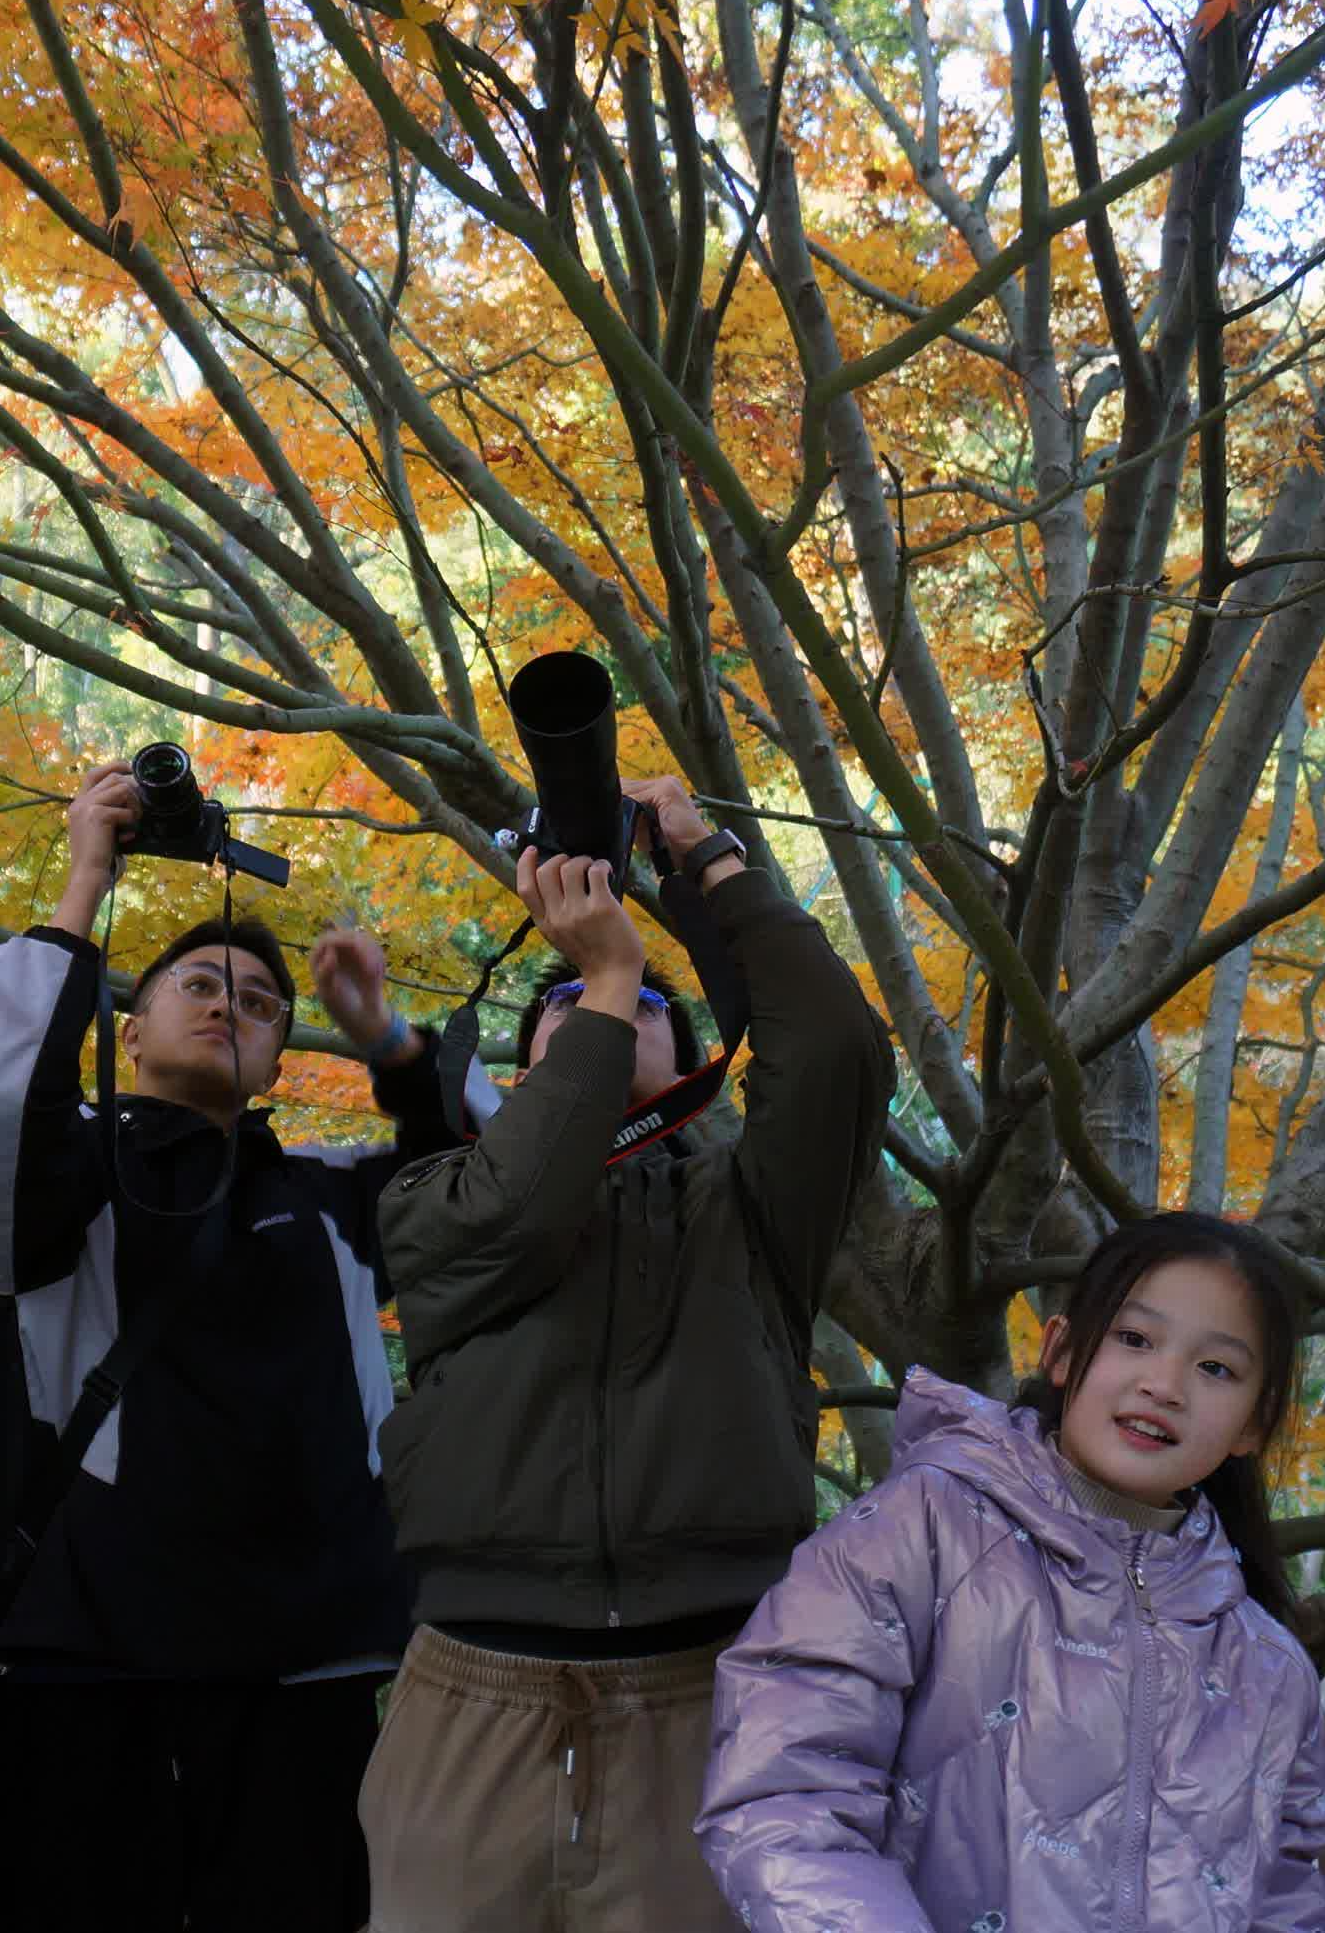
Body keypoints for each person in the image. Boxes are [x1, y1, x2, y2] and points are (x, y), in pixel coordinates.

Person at [0, 759, 463, 1931]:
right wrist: (83, 880)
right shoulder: (63, 1176)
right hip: (96, 1667)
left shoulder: (323, 1195)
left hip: (312, 1670)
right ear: (131, 1017)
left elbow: (481, 1190)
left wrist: (388, 1039)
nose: (233, 1004)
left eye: (264, 1002)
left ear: (278, 1056)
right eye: (201, 983)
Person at [359, 778, 895, 1932]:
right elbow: (522, 1202)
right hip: (468, 1690)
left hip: (708, 1686)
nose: (613, 1003)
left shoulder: (752, 1208)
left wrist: (710, 858)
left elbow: (840, 1052)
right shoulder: (432, 1197)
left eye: (655, 1002)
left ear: (694, 1069)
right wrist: (605, 975)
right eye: (562, 1008)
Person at [699, 1212, 1325, 1933]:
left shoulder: (1270, 1671)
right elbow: (788, 1789)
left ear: (1254, 1426)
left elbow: (1287, 1902)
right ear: (1063, 1351)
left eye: (1215, 1368)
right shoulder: (918, 1532)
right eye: (1134, 1339)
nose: (1165, 1384)